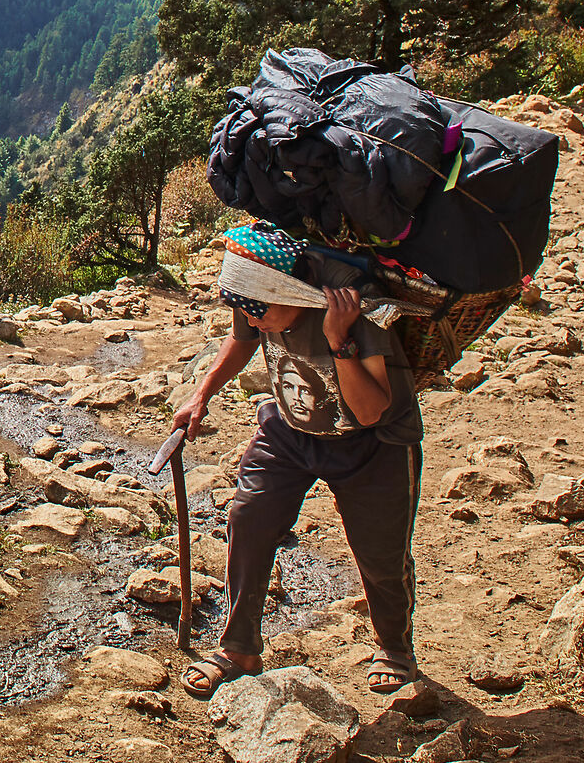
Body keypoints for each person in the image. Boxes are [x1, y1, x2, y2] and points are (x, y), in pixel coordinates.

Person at [168, 223, 426, 697]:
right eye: (248, 313)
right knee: (249, 519)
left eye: (262, 314)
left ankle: (394, 647)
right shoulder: (256, 296)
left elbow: (371, 410)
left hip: (373, 444)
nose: (256, 323)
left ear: (290, 293)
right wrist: (201, 394)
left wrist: (338, 338)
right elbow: (242, 339)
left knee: (380, 554)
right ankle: (239, 648)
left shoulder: (355, 305)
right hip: (291, 429)